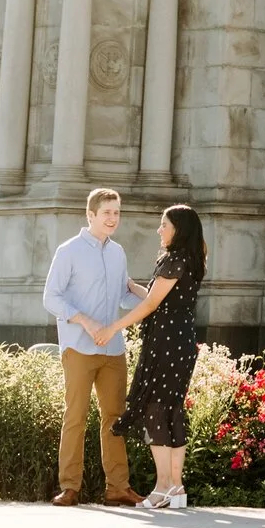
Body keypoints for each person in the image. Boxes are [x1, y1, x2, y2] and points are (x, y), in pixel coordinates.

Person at [40, 188, 145, 507]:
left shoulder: (118, 253)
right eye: (107, 213)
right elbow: (51, 298)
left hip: (113, 350)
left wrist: (154, 297)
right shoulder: (68, 251)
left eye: (117, 212)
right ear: (91, 215)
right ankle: (70, 487)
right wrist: (85, 321)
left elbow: (123, 297)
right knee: (76, 415)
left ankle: (118, 488)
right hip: (78, 347)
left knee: (115, 417)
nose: (113, 218)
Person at [102, 204, 207, 510]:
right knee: (171, 409)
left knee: (154, 409)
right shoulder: (190, 259)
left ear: (179, 230)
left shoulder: (174, 260)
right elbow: (153, 295)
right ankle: (176, 488)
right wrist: (127, 284)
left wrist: (114, 327)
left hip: (167, 344)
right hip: (180, 342)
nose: (159, 230)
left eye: (165, 225)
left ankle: (163, 487)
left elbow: (150, 305)